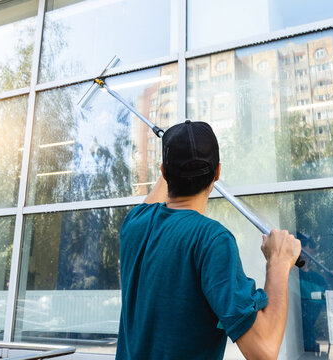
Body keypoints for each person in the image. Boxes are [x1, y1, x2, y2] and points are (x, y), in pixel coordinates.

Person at [116, 120, 302, 360]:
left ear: (163, 171)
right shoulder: (211, 240)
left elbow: (159, 192)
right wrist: (278, 262)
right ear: (217, 172)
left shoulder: (134, 223)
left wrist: (177, 156)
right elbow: (263, 350)